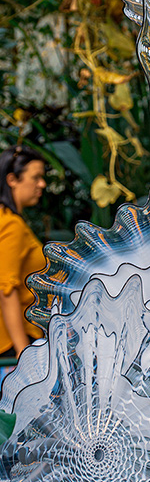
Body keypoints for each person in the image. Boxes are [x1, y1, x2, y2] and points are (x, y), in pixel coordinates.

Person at [0, 146, 46, 358]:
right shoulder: (11, 225)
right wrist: (23, 352)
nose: (42, 184)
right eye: (36, 177)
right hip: (13, 344)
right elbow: (6, 289)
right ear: (12, 179)